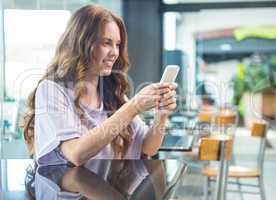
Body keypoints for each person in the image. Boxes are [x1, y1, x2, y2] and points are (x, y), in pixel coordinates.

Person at [21, 4, 177, 166]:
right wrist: (134, 106)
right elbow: (76, 154)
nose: (115, 52)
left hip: (103, 188)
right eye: (106, 43)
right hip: (66, 190)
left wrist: (161, 114)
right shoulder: (51, 90)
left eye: (118, 44)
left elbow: (148, 147)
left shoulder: (111, 93)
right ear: (81, 43)